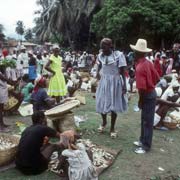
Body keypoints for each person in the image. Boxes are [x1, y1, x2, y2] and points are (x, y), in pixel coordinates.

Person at [130, 39, 160, 154]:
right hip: (151, 93)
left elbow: (141, 88)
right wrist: (151, 85)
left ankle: (146, 146)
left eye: (135, 51)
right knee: (144, 119)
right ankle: (142, 140)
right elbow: (157, 78)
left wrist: (140, 101)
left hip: (147, 95)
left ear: (138, 53)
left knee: (147, 121)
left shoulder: (140, 67)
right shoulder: (148, 63)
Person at [96, 38, 127, 138]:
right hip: (104, 82)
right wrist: (97, 73)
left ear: (110, 46)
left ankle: (112, 128)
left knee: (113, 105)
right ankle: (104, 122)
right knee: (102, 102)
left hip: (115, 82)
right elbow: (99, 66)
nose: (102, 49)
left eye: (104, 47)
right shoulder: (100, 56)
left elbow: (122, 72)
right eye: (101, 47)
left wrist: (124, 86)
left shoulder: (118, 56)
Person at [0, 65, 16, 132]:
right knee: (0, 109)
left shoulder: (2, 72)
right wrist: (13, 82)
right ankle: (1, 126)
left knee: (1, 108)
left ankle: (2, 124)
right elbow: (5, 79)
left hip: (2, 90)